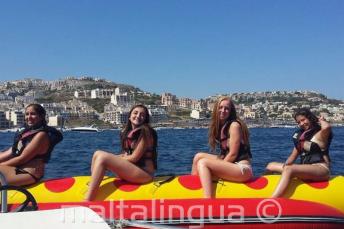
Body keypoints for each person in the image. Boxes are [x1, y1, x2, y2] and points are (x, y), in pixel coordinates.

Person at [85, 104, 158, 201]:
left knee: (103, 158)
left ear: (145, 119)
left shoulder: (146, 132)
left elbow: (134, 158)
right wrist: (114, 159)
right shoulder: (127, 132)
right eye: (135, 113)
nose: (138, 116)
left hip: (144, 174)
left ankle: (87, 201)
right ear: (129, 116)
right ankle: (94, 182)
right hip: (133, 170)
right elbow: (126, 155)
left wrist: (111, 160)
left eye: (142, 115)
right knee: (97, 153)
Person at [191, 96, 253, 198]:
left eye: (226, 108)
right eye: (220, 107)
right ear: (216, 108)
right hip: (232, 164)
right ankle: (193, 186)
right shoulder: (220, 126)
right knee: (198, 156)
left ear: (230, 111)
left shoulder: (234, 126)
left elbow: (233, 154)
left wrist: (218, 168)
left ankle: (208, 200)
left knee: (203, 163)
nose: (223, 111)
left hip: (242, 169)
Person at [266, 108, 332, 198]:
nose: (301, 123)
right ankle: (265, 190)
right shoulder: (301, 138)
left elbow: (327, 127)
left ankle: (273, 199)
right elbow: (291, 158)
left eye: (303, 120)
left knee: (289, 169)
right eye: (298, 122)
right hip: (306, 169)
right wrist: (285, 167)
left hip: (321, 169)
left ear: (310, 118)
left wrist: (320, 120)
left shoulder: (320, 134)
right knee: (270, 165)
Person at [0, 104, 63, 186]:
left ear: (41, 116)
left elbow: (22, 159)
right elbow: (11, 152)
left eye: (33, 114)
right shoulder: (26, 133)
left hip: (27, 174)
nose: (29, 117)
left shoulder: (41, 135)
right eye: (27, 114)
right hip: (16, 169)